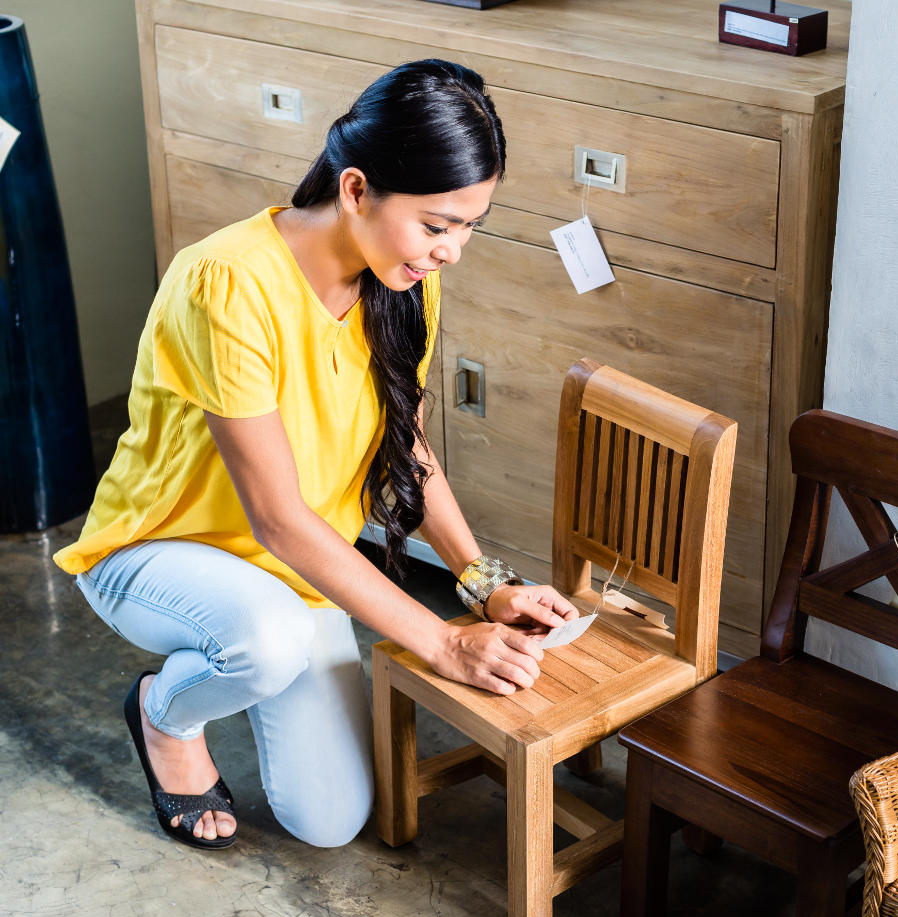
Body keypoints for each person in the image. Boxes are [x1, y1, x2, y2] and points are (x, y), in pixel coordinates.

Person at [54, 60, 577, 851]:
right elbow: (276, 515)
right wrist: (441, 641)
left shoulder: (400, 279)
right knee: (264, 642)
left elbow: (406, 442)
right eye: (437, 225)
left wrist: (482, 583)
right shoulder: (226, 281)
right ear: (357, 189)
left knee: (328, 821)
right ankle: (164, 713)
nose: (453, 251)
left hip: (290, 572)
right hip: (158, 551)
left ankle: (245, 654)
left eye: (469, 226)